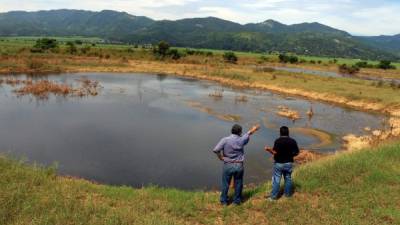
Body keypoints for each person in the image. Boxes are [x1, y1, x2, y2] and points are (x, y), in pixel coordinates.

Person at [213, 124, 260, 205]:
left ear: (232, 130)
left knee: (225, 184)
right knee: (238, 183)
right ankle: (236, 201)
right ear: (240, 132)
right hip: (239, 165)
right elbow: (248, 134)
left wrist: (220, 157)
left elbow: (216, 150)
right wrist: (254, 129)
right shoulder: (242, 140)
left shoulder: (225, 140)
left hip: (228, 164)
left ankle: (224, 201)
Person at [265, 126, 299, 201]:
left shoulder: (278, 141)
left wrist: (268, 149)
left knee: (277, 179)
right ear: (288, 132)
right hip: (288, 163)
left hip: (279, 163)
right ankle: (288, 195)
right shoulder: (292, 141)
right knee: (288, 178)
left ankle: (273, 197)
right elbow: (297, 152)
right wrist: (291, 155)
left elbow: (274, 152)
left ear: (280, 132)